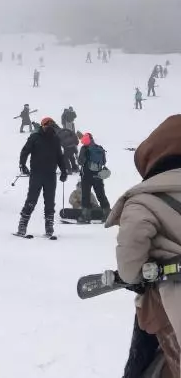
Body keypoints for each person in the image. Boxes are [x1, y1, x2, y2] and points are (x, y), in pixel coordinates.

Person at [105, 115, 181, 375]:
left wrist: (135, 277)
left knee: (144, 363)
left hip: (169, 305)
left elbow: (129, 265)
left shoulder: (143, 201)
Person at [16, 117, 67, 238]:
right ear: (42, 126)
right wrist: (22, 165)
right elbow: (25, 151)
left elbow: (59, 156)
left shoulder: (55, 139)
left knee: (49, 202)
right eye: (45, 125)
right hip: (36, 174)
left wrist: (64, 171)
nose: (47, 127)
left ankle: (49, 227)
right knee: (31, 200)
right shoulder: (35, 137)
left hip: (50, 175)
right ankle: (22, 226)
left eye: (50, 125)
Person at [77, 133, 110, 222]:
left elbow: (80, 162)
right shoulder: (99, 148)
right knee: (101, 195)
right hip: (98, 176)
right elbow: (104, 162)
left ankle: (86, 216)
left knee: (86, 196)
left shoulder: (84, 148)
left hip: (87, 176)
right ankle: (107, 215)